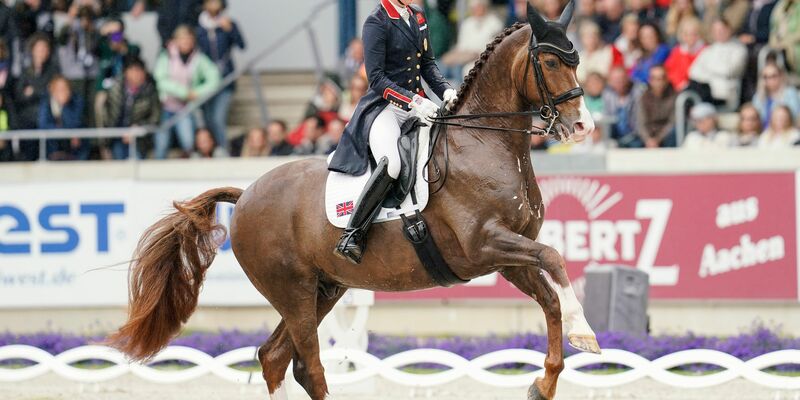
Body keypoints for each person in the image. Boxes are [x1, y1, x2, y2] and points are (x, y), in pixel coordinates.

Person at [328, 0, 457, 264]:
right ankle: (353, 233)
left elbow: (428, 64)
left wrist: (446, 90)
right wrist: (414, 101)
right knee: (393, 164)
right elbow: (376, 79)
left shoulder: (417, 17)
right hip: (385, 106)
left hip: (416, 103)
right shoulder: (376, 21)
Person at [153, 25, 221, 159]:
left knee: (188, 141)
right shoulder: (166, 56)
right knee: (162, 143)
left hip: (185, 108)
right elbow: (160, 80)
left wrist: (197, 92)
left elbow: (215, 78)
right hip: (166, 106)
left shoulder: (199, 58)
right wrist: (183, 92)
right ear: (176, 40)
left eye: (189, 40)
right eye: (183, 39)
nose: (186, 43)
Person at [196, 0, 245, 153]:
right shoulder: (198, 27)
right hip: (206, 81)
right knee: (208, 120)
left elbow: (242, 45)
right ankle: (210, 152)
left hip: (225, 79)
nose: (214, 5)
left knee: (218, 119)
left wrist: (230, 30)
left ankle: (223, 151)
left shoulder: (228, 23)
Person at [102, 57, 161, 160]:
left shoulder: (151, 91)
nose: (136, 75)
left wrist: (138, 127)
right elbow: (106, 115)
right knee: (120, 166)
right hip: (117, 136)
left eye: (139, 71)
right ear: (125, 72)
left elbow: (155, 118)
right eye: (132, 70)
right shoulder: (114, 90)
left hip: (140, 138)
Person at [14, 34, 59, 161]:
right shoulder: (25, 71)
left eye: (45, 49)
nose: (42, 52)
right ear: (32, 50)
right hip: (28, 117)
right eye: (39, 49)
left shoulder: (53, 70)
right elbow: (19, 95)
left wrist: (33, 91)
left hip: (46, 115)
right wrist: (40, 90)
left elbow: (52, 91)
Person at [439, 0, 503, 84]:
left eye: (478, 7)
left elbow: (490, 49)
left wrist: (469, 56)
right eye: (473, 8)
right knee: (438, 66)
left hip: (481, 59)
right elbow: (460, 46)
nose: (475, 10)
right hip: (463, 56)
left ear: (484, 7)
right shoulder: (467, 23)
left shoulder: (495, 24)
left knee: (463, 70)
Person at [687, 18, 747, 107]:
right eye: (716, 30)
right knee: (687, 93)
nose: (719, 33)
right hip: (705, 88)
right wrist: (713, 75)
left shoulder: (739, 49)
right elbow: (693, 71)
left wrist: (707, 69)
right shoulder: (708, 50)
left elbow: (728, 71)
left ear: (729, 29)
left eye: (721, 29)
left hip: (725, 93)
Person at [56, 6, 100, 128]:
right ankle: (74, 138)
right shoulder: (70, 30)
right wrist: (70, 19)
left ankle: (94, 143)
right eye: (81, 17)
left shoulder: (95, 31)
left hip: (92, 75)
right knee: (76, 109)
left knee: (91, 109)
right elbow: (60, 39)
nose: (84, 22)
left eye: (88, 18)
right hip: (73, 75)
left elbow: (114, 41)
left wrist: (98, 30)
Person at [38, 75, 87, 160]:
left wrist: (65, 106)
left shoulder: (77, 101)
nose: (63, 92)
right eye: (59, 89)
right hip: (53, 146)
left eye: (65, 88)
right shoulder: (45, 103)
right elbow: (43, 125)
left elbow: (74, 123)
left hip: (74, 149)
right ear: (52, 90)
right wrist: (62, 131)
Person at [636, 66, 676, 148]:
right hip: (648, 136)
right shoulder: (644, 97)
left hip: (666, 137)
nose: (658, 82)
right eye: (655, 79)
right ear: (650, 80)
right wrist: (648, 139)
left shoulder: (674, 97)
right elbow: (641, 123)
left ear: (666, 80)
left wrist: (658, 139)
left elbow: (672, 123)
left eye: (661, 78)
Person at [603, 66, 641, 147]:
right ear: (610, 82)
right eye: (616, 81)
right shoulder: (607, 95)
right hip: (615, 137)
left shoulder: (638, 93)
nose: (620, 83)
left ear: (627, 79)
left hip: (636, 136)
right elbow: (607, 117)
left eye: (622, 79)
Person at [663, 17, 704, 91]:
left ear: (699, 34)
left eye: (693, 34)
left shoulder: (705, 51)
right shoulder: (677, 51)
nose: (690, 37)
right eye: (686, 34)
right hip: (677, 88)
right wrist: (679, 83)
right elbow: (669, 71)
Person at [769, 0, 800, 76]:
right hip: (779, 45)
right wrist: (774, 43)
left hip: (795, 45)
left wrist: (785, 43)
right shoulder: (780, 6)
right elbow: (773, 28)